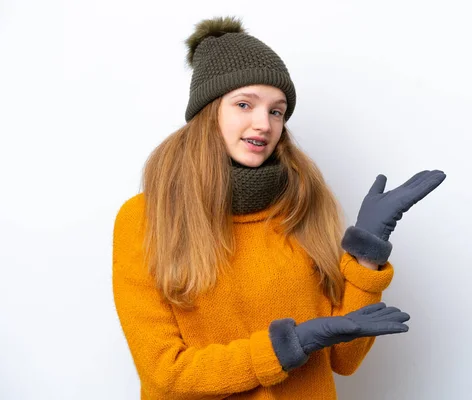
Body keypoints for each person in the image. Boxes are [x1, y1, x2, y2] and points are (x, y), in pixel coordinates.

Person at [112, 15, 446, 400]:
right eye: (244, 104)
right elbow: (165, 374)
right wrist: (287, 346)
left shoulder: (302, 208)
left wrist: (367, 251)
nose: (264, 124)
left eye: (276, 110)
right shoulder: (146, 219)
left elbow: (344, 358)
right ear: (208, 112)